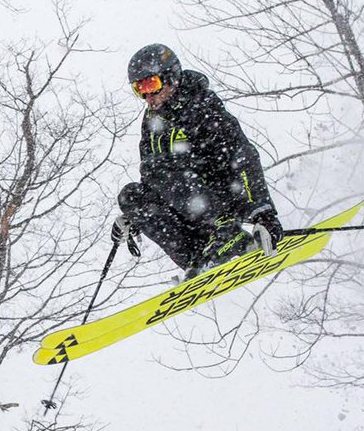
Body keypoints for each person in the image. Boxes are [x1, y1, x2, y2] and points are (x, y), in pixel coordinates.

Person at [111, 43, 282, 278]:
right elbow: (151, 178)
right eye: (139, 88)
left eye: (152, 84)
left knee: (159, 168)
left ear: (170, 77)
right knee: (132, 195)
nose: (147, 95)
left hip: (221, 197)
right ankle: (200, 257)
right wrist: (138, 216)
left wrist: (263, 214)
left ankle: (229, 234)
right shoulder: (152, 120)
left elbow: (243, 156)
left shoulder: (200, 106)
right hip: (188, 207)